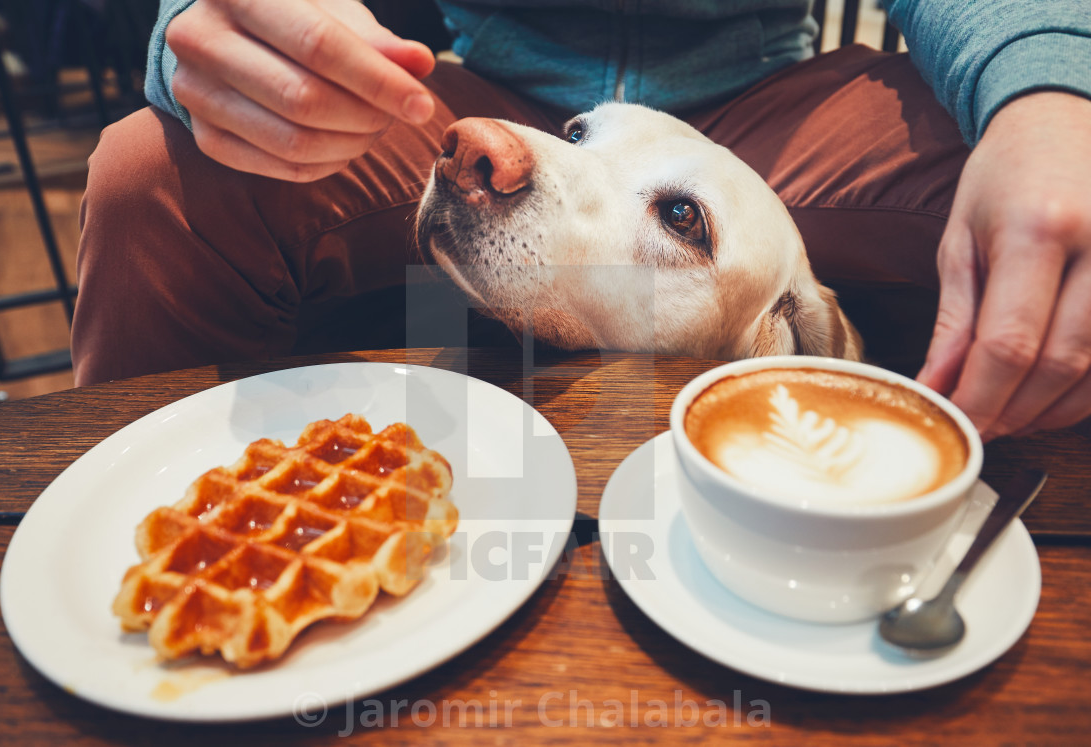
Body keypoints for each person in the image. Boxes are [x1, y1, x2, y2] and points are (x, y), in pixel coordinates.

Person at [72, 0, 1091, 442]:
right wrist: (213, 35)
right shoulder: (500, 142)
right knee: (150, 170)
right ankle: (138, 525)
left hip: (775, 93)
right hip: (498, 86)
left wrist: (1050, 94)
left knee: (1051, 214)